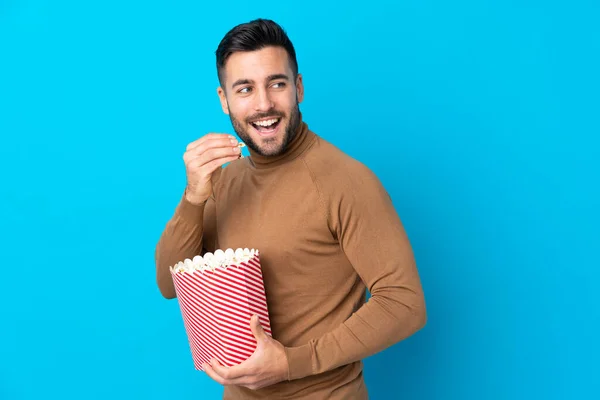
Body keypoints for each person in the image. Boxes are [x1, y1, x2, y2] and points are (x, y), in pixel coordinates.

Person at [154, 18, 427, 400]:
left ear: (298, 87)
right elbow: (171, 286)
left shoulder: (345, 180)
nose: (264, 104)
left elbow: (404, 303)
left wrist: (291, 363)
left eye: (276, 84)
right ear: (224, 100)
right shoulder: (223, 183)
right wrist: (192, 199)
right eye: (245, 89)